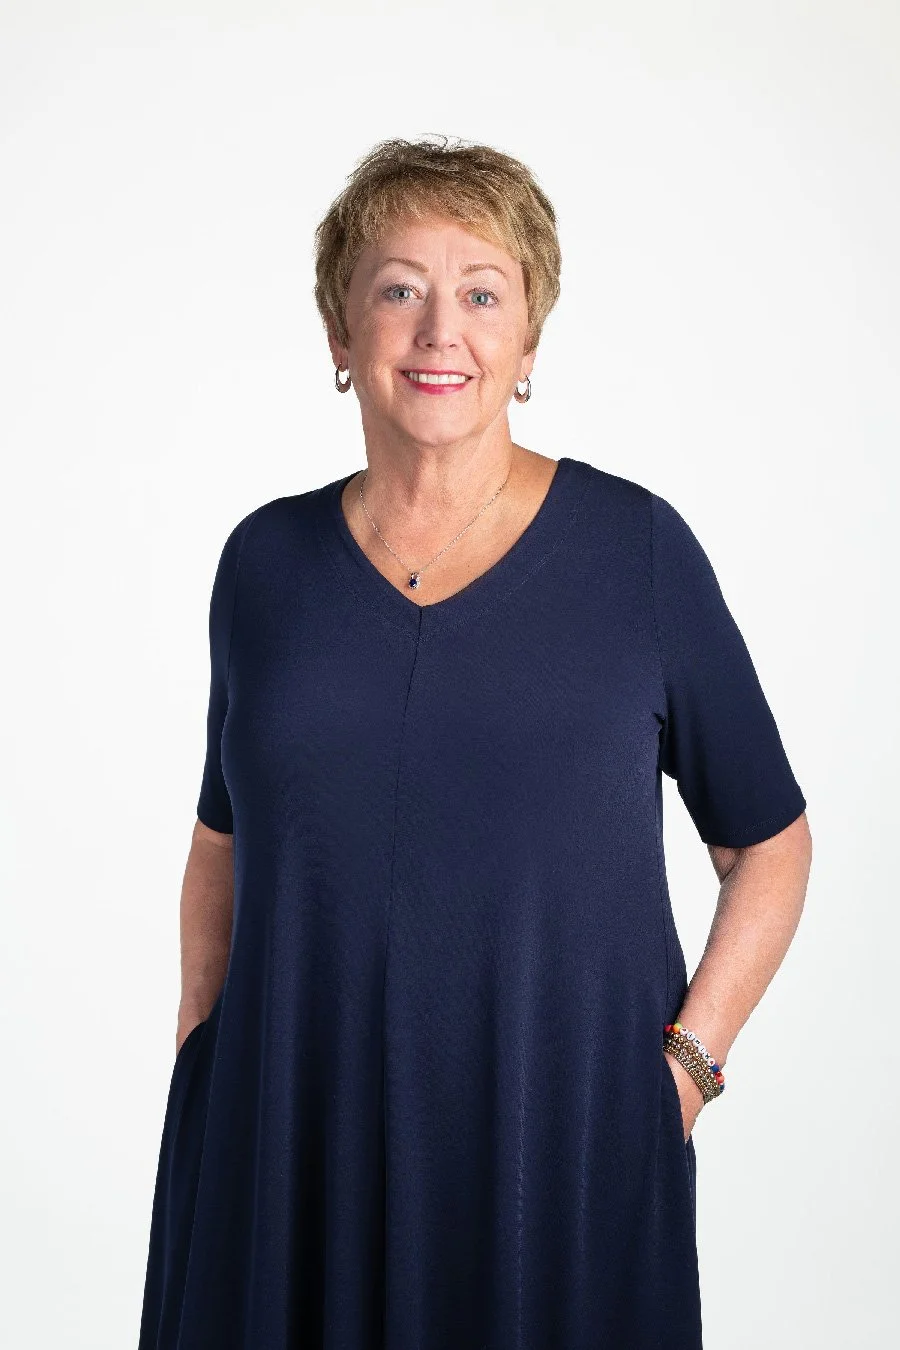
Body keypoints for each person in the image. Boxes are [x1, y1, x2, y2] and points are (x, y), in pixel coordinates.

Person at [138, 135, 812, 1350]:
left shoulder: (637, 553)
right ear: (341, 341)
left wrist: (684, 1074)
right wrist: (206, 1055)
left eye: (482, 293)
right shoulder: (264, 567)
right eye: (397, 288)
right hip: (287, 1145)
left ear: (529, 345)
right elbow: (220, 835)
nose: (439, 329)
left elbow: (769, 843)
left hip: (554, 1160)